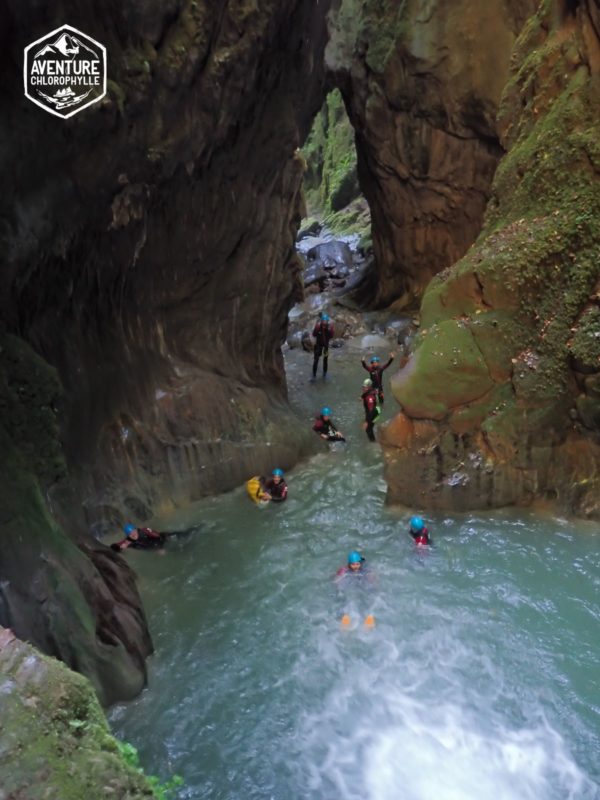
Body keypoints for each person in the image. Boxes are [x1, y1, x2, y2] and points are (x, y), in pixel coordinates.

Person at [335, 551, 375, 627]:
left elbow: (372, 579)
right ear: (349, 565)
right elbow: (336, 580)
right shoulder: (344, 570)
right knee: (342, 596)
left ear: (360, 564)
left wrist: (371, 581)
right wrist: (339, 582)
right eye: (353, 564)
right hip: (350, 584)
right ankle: (344, 615)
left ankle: (368, 615)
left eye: (357, 564)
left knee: (365, 595)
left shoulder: (364, 570)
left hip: (360, 583)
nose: (355, 566)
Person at [311, 312, 334, 381]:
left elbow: (331, 336)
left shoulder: (329, 328)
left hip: (325, 347)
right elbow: (314, 334)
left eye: (325, 322)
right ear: (321, 321)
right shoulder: (318, 327)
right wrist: (317, 329)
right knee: (316, 361)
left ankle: (324, 374)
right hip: (318, 346)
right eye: (323, 322)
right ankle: (314, 376)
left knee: (325, 360)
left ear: (327, 322)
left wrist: (330, 329)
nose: (324, 323)